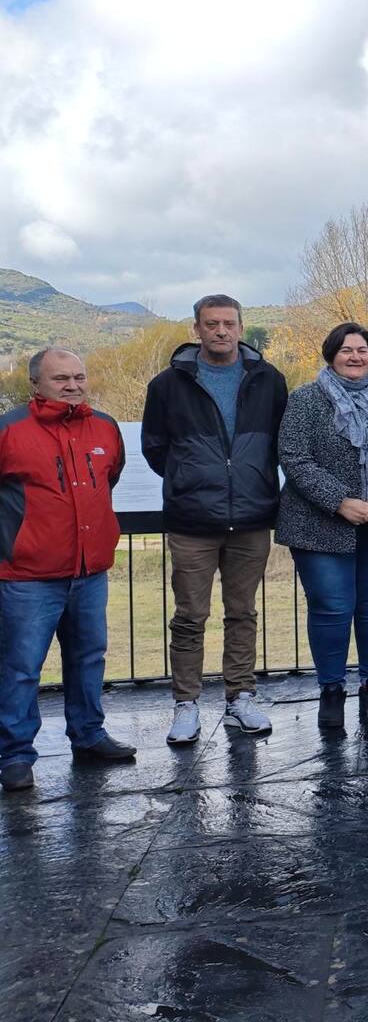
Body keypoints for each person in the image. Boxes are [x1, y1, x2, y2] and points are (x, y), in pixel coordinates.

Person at [142, 294, 287, 744]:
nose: (221, 331)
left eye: (228, 323)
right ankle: (186, 703)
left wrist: (248, 482)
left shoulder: (268, 380)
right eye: (211, 324)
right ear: (197, 329)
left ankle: (240, 697)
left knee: (242, 613)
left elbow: (281, 444)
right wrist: (192, 480)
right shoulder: (168, 385)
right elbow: (155, 448)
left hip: (252, 518)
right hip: (192, 521)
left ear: (240, 328)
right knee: (190, 616)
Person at [0, 348, 136, 792]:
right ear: (35, 384)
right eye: (61, 379)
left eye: (79, 377)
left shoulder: (106, 428)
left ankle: (89, 735)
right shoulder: (9, 430)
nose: (73, 386)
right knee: (21, 667)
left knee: (88, 658)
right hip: (28, 576)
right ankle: (15, 755)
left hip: (89, 571)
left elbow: (109, 478)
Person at [276, 323, 368, 729]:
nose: (355, 356)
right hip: (319, 525)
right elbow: (294, 458)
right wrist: (340, 502)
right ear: (330, 355)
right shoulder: (304, 401)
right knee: (331, 609)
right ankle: (331, 690)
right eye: (346, 350)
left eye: (362, 350)